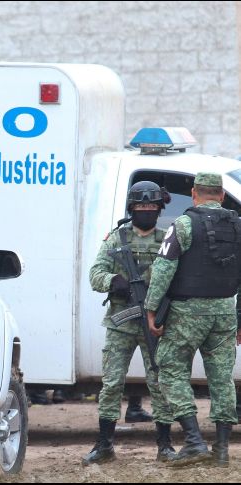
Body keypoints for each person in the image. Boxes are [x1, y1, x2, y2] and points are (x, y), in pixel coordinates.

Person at [145, 172, 241, 467]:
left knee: (171, 370)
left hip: (187, 313)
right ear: (222, 195)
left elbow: (163, 269)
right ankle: (221, 450)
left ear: (194, 194)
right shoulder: (239, 226)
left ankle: (194, 441)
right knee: (222, 379)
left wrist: (151, 308)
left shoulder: (184, 224)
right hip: (224, 312)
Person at [82, 181, 175, 466]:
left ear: (159, 209)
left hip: (154, 323)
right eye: (141, 207)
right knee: (111, 384)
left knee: (160, 383)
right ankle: (104, 444)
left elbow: (179, 278)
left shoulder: (167, 240)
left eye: (151, 207)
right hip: (120, 323)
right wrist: (114, 281)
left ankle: (165, 446)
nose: (146, 211)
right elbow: (95, 273)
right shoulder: (116, 239)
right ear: (131, 209)